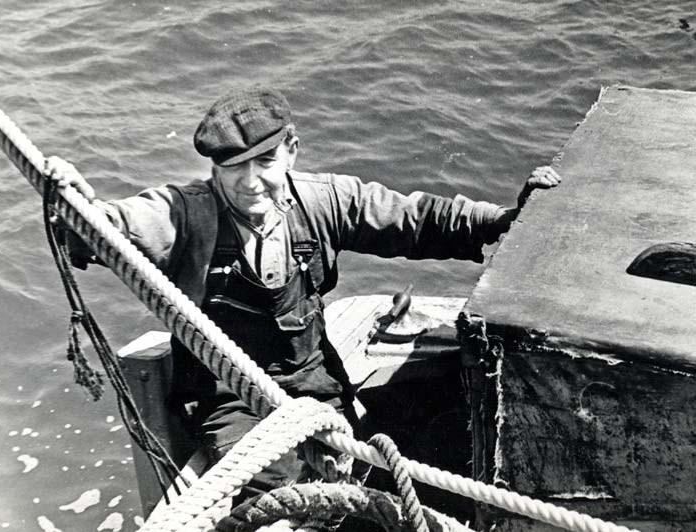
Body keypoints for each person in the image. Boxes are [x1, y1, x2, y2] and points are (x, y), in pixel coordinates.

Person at [45, 86, 560, 501]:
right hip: (230, 400)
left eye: (265, 161)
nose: (250, 182)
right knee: (280, 486)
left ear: (291, 149)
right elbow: (118, 228)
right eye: (233, 168)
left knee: (384, 453)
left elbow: (414, 218)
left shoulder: (320, 201)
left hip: (316, 382)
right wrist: (81, 208)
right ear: (213, 169)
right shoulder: (186, 214)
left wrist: (501, 219)